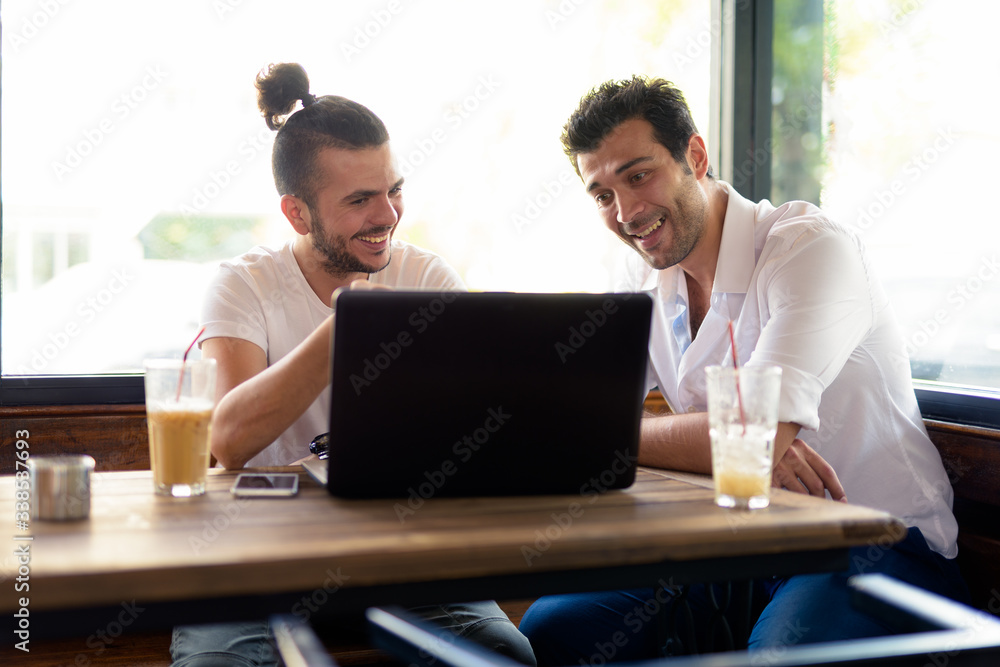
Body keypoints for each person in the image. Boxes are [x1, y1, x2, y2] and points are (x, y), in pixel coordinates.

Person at [518, 75, 969, 665]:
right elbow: (569, 422)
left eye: (638, 174)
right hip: (734, 544)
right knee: (555, 629)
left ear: (695, 157)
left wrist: (626, 438)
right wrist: (723, 437)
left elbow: (745, 443)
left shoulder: (808, 248)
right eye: (601, 194)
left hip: (874, 542)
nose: (626, 211)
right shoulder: (637, 276)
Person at [170, 63, 535, 667]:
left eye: (393, 190)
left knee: (504, 654)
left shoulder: (428, 278)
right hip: (255, 555)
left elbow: (478, 430)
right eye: (360, 200)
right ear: (297, 213)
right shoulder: (243, 285)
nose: (388, 215)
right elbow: (229, 443)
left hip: (399, 548)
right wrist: (347, 329)